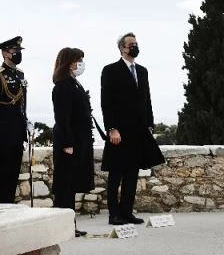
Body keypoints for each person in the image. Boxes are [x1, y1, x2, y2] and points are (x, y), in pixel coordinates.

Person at [100, 32, 164, 225]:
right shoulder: (110, 70)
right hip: (119, 132)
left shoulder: (142, 71)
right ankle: (114, 214)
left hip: (139, 131)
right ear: (122, 48)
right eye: (131, 44)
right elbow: (106, 102)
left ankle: (127, 212)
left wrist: (150, 125)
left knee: (132, 175)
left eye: (136, 43)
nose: (134, 47)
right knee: (116, 174)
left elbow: (147, 100)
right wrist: (112, 128)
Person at [0, 36, 33, 204]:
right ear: (4, 53)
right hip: (2, 135)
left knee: (12, 175)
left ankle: (9, 207)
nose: (17, 53)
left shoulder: (20, 74)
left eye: (19, 50)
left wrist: (25, 128)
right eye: (14, 51)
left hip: (17, 134)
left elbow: (21, 105)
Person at [51, 47, 95, 237]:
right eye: (78, 61)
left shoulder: (73, 83)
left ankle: (69, 225)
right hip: (69, 143)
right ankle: (63, 226)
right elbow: (63, 118)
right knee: (65, 187)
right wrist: (68, 143)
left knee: (71, 185)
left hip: (79, 140)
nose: (81, 64)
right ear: (69, 63)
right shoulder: (63, 86)